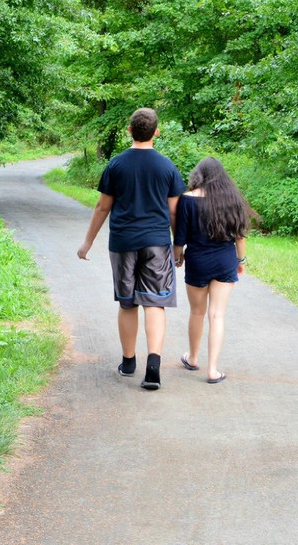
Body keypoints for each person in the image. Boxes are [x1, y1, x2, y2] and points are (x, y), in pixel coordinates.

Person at [77, 108, 186, 390]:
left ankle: (128, 362)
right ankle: (153, 365)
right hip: (157, 244)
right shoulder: (167, 167)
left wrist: (88, 241)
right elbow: (175, 213)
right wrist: (178, 245)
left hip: (123, 242)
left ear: (129, 130)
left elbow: (103, 206)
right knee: (155, 302)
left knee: (128, 303)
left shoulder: (116, 165)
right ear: (156, 133)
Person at [174, 157, 254, 384]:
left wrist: (177, 256)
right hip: (225, 260)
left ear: (198, 175)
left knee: (197, 312)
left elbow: (180, 237)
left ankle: (192, 357)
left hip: (198, 261)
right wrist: (241, 260)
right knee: (217, 315)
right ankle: (212, 370)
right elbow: (240, 236)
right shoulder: (232, 199)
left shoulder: (187, 200)